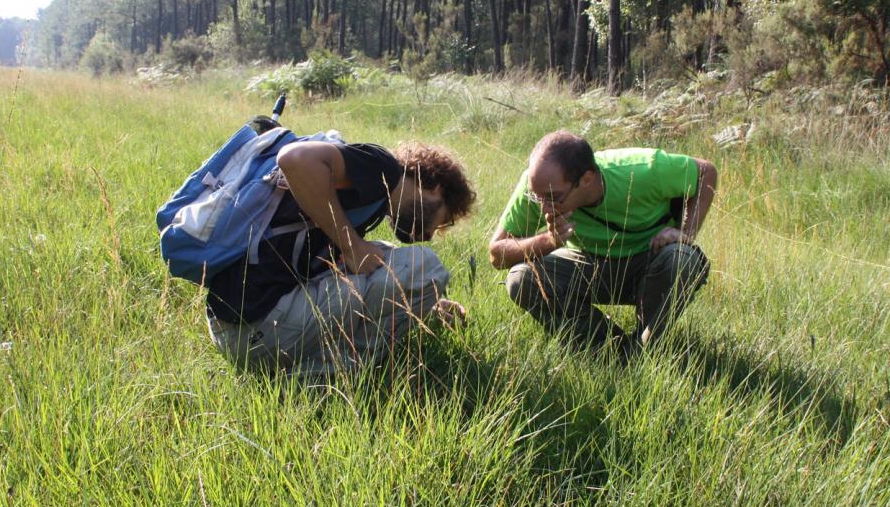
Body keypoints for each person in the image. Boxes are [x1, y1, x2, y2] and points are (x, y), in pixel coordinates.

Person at [206, 138, 475, 378]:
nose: (429, 235)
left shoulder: (364, 200)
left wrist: (429, 307)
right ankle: (335, 374)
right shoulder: (384, 168)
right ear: (437, 189)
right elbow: (294, 158)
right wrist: (352, 247)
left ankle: (315, 366)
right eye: (444, 221)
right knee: (425, 266)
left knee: (382, 253)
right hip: (256, 330)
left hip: (237, 334)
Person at [488, 130, 717, 355]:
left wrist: (684, 233)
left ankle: (645, 350)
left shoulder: (643, 169)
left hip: (650, 261)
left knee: (682, 258)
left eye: (554, 198)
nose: (544, 206)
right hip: (587, 263)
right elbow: (497, 254)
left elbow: (704, 172)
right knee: (521, 278)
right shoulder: (539, 186)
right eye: (536, 197)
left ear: (586, 179)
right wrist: (549, 241)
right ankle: (610, 350)